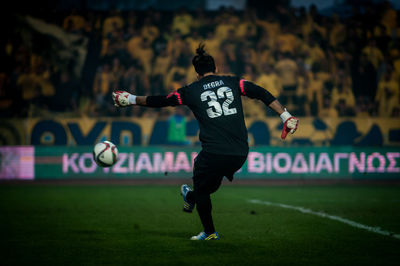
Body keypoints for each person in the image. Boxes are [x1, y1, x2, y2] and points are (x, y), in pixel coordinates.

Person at [112, 44, 299, 240]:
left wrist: (131, 98)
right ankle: (191, 197)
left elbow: (161, 100)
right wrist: (285, 115)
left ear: (197, 74)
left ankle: (209, 232)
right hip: (240, 152)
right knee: (209, 186)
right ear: (216, 69)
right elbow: (260, 92)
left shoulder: (190, 90)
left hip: (214, 153)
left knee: (201, 181)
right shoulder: (234, 82)